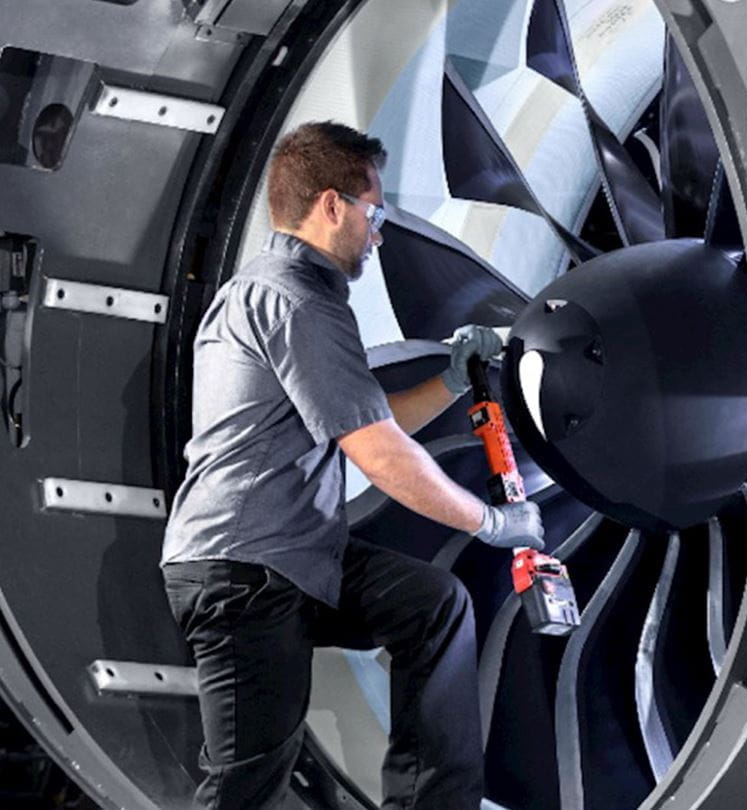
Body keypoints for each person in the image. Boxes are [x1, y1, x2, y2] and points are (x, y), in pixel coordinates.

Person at [160, 121, 543, 810]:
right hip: (244, 572)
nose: (380, 229)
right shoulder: (297, 302)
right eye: (376, 211)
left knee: (432, 605)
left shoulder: (281, 293)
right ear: (331, 206)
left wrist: (454, 382)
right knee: (245, 787)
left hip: (295, 559)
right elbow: (378, 454)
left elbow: (370, 423)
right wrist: (492, 521)